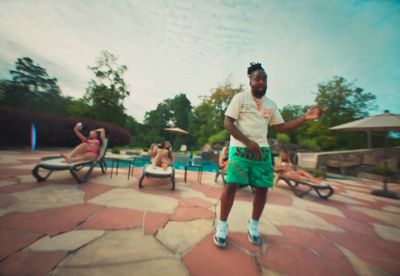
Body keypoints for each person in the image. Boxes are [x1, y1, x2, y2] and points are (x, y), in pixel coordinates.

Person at [214, 62, 325, 248]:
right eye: (257, 78)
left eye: (264, 79)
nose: (261, 82)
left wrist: (305, 118)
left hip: (262, 152)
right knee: (231, 185)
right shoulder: (240, 98)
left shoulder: (271, 105)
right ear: (250, 80)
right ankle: (222, 225)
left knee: (262, 189)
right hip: (240, 149)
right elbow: (228, 123)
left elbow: (281, 127)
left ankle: (254, 225)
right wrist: (248, 142)